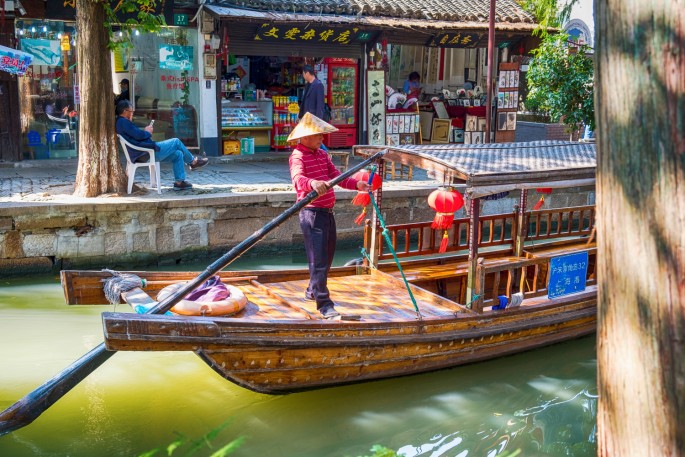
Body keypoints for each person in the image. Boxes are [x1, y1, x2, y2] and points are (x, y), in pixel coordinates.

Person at [288, 112, 369, 319]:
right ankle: (323, 303)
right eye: (318, 136)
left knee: (328, 254)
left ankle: (312, 290)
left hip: (327, 211)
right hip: (311, 213)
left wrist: (356, 185)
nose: (322, 139)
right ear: (306, 137)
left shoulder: (322, 155)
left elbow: (336, 177)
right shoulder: (298, 155)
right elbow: (298, 179)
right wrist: (313, 183)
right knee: (319, 259)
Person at [115, 99, 208, 191]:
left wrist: (145, 132)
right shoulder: (123, 122)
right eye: (131, 111)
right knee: (176, 141)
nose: (132, 113)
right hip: (146, 153)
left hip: (144, 152)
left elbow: (136, 135)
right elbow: (138, 136)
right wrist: (147, 132)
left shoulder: (122, 122)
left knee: (178, 154)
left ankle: (179, 182)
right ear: (125, 111)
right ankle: (192, 162)